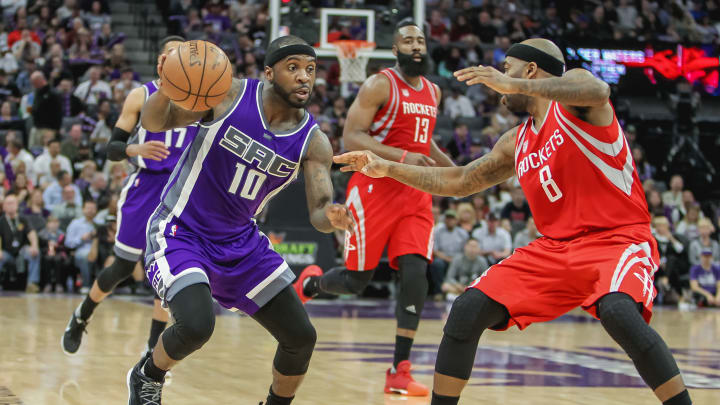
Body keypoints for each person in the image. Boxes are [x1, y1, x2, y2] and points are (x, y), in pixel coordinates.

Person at [334, 38, 693, 405]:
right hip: (554, 250)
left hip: (617, 240)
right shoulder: (515, 141)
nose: (499, 81)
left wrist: (513, 84)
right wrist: (388, 168)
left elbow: (598, 89)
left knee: (618, 311)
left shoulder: (576, 102)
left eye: (506, 68)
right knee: (466, 311)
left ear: (531, 71)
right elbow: (458, 182)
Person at [130, 35, 353, 405]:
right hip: (181, 231)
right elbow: (156, 121)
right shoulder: (227, 93)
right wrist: (167, 88)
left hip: (240, 243)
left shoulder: (314, 143)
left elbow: (319, 211)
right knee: (198, 326)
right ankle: (147, 375)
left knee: (301, 337)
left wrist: (332, 217)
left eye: (310, 70)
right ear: (269, 73)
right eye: (293, 68)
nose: (304, 77)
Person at [294, 21, 454, 397]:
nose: (416, 46)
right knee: (356, 281)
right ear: (395, 49)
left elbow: (424, 144)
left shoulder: (433, 90)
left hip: (415, 195)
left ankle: (399, 370)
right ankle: (312, 284)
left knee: (416, 276)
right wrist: (402, 156)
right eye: (408, 41)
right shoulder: (379, 84)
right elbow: (352, 137)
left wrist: (459, 172)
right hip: (372, 191)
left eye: (420, 40)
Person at [61, 36, 197, 364]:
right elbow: (111, 149)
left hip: (180, 192)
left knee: (167, 271)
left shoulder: (201, 99)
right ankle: (81, 315)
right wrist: (135, 149)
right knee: (122, 266)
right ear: (159, 62)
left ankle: (152, 350)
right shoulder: (142, 95)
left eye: (180, 55)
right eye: (168, 55)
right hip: (145, 187)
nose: (173, 60)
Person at [0, 194, 40, 292]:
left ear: (17, 205)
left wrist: (34, 246)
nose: (10, 205)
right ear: (3, 206)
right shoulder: (1, 221)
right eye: (8, 203)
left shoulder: (23, 219)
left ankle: (32, 283)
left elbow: (32, 233)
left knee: (34, 252)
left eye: (13, 203)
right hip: (6, 252)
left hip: (22, 251)